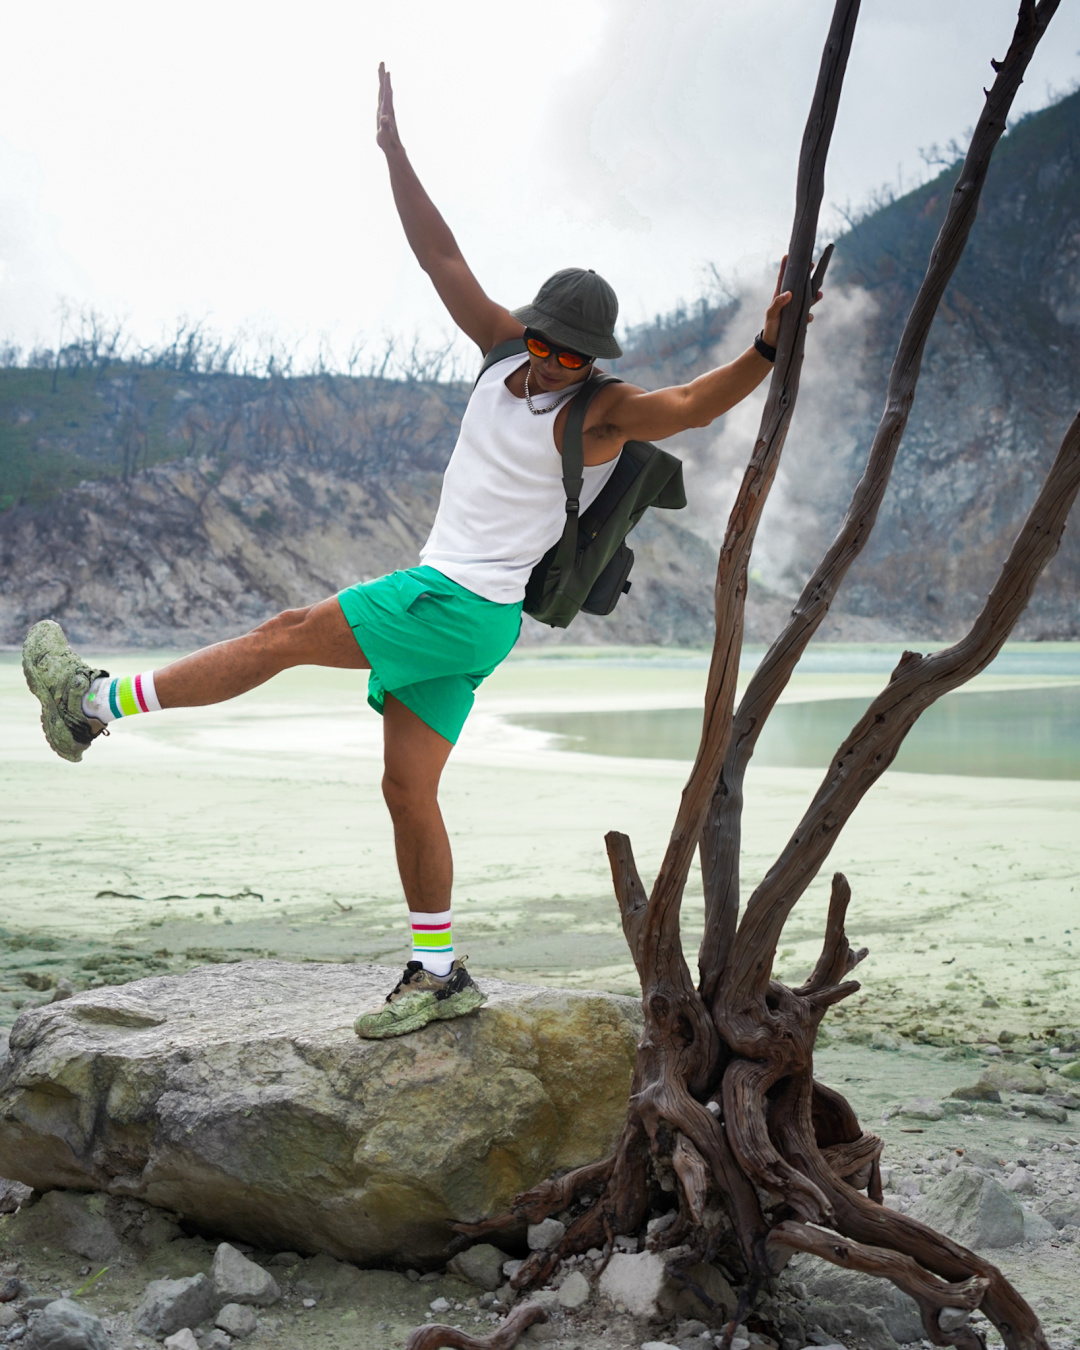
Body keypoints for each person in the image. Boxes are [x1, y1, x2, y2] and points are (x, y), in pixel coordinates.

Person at [22, 63, 816, 1040]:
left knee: (282, 633)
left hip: (459, 604)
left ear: (596, 357)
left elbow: (690, 405)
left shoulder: (601, 412)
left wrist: (767, 351)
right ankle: (438, 972)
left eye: (578, 353)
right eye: (550, 343)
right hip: (468, 621)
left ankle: (92, 704)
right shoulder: (498, 356)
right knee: (406, 788)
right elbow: (440, 256)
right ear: (532, 329)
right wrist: (396, 153)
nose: (560, 361)